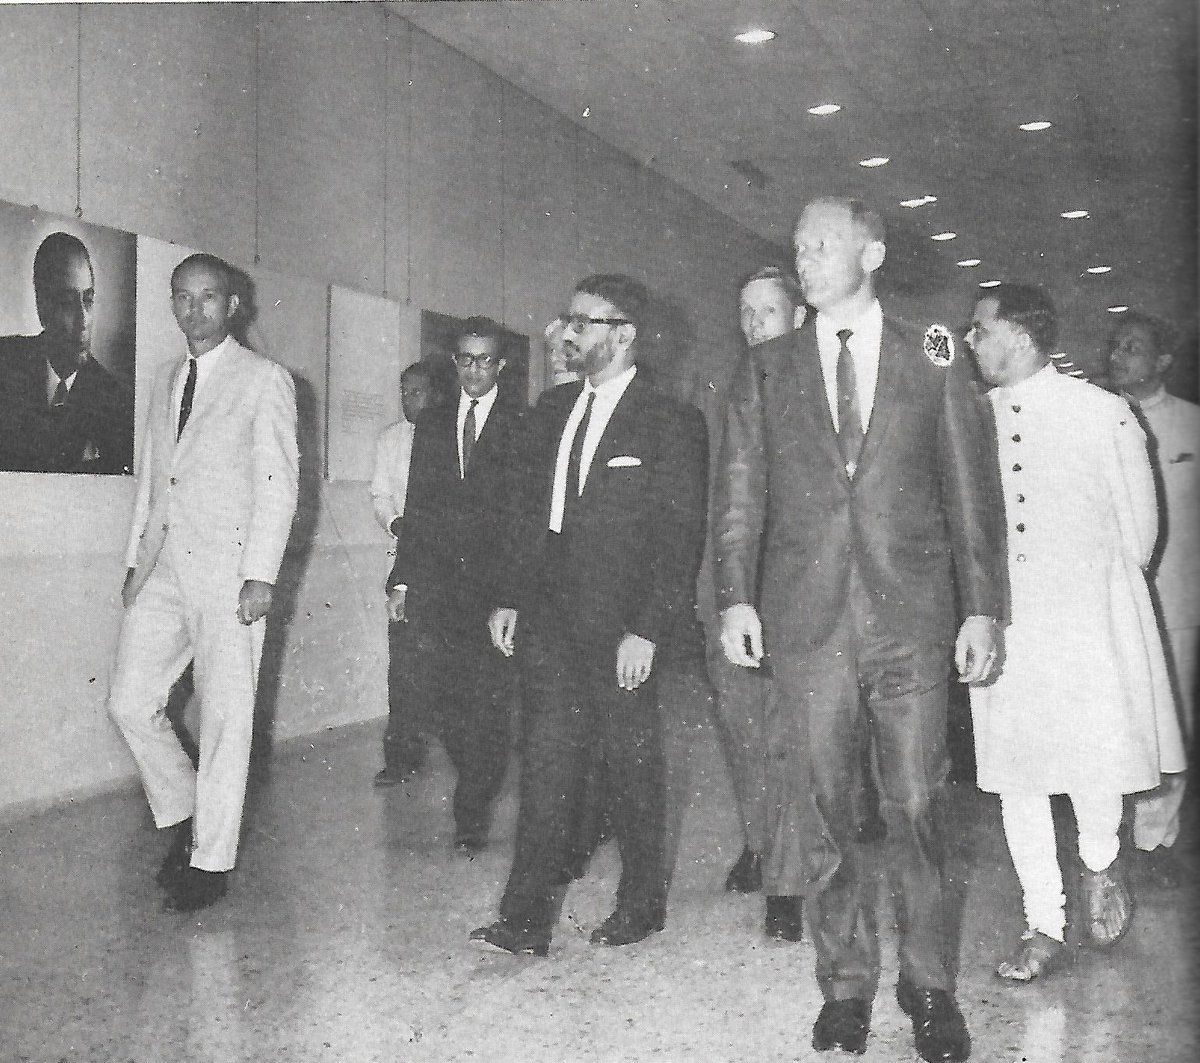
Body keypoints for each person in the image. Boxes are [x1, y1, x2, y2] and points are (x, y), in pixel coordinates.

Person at [716, 197, 1005, 1062]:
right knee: (824, 810)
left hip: (909, 621)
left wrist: (983, 605)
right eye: (797, 246)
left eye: (823, 243)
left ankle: (929, 985)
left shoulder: (932, 355)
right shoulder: (766, 367)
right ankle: (844, 985)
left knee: (917, 802)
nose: (803, 258)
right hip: (807, 623)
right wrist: (736, 596)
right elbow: (739, 495)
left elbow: (970, 494)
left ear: (872, 251)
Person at [471, 274, 708, 956]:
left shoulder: (668, 419)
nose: (570, 332)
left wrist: (649, 628)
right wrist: (512, 595)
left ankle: (641, 903)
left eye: (587, 321)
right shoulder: (551, 408)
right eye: (566, 318)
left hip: (622, 628)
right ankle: (524, 918)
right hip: (550, 623)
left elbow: (677, 535)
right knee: (546, 767)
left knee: (632, 766)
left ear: (626, 333)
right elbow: (528, 517)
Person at [966, 285, 1185, 982]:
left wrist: (1099, 598)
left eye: (981, 330)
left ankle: (1099, 861)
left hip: (1088, 617)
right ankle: (1043, 923)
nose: (971, 342)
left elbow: (1140, 532)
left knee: (1094, 760)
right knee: (1015, 776)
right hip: (1007, 624)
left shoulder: (1102, 411)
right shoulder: (970, 419)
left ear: (1022, 338)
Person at [106, 252, 299, 912]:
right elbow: (155, 477)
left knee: (224, 717)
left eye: (208, 297)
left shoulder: (263, 378)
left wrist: (260, 575)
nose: (194, 309)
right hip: (163, 569)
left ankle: (210, 861)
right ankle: (187, 812)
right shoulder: (164, 378)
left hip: (229, 572)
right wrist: (137, 557)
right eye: (183, 297)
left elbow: (279, 483)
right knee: (129, 701)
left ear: (233, 304)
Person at [385, 316, 523, 853]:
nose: (473, 370)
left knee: (486, 707)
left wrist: (512, 596)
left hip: (493, 597)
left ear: (500, 365)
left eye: (484, 360)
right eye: (465, 359)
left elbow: (522, 519)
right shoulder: (434, 423)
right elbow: (417, 505)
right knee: (443, 704)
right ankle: (475, 786)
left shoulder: (521, 422)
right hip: (439, 591)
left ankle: (471, 816)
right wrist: (402, 583)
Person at [1108, 311, 1198, 889]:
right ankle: (1108, 834)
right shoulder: (1098, 418)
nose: (1119, 356)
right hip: (1115, 603)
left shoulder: (1192, 426)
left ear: (1162, 361)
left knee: (1174, 722)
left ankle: (1156, 838)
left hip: (1181, 602)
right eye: (1115, 346)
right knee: (1122, 717)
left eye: (1134, 348)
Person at [0, 231, 133, 474]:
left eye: (88, 300)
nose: (83, 320)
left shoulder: (115, 400)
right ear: (42, 308)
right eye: (67, 302)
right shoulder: (5, 363)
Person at [370, 361, 439, 786]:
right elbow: (380, 495)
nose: (409, 399)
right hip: (403, 563)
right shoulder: (391, 440)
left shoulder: (451, 438)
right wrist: (397, 523)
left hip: (444, 568)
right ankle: (401, 756)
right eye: (405, 392)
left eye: (418, 392)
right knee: (404, 666)